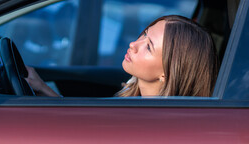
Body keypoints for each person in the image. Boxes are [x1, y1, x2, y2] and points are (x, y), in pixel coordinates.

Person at [25, 15, 219, 97]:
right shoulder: (135, 101)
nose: (133, 44)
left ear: (167, 73)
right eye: (144, 34)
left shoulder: (151, 122)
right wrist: (41, 87)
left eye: (148, 47)